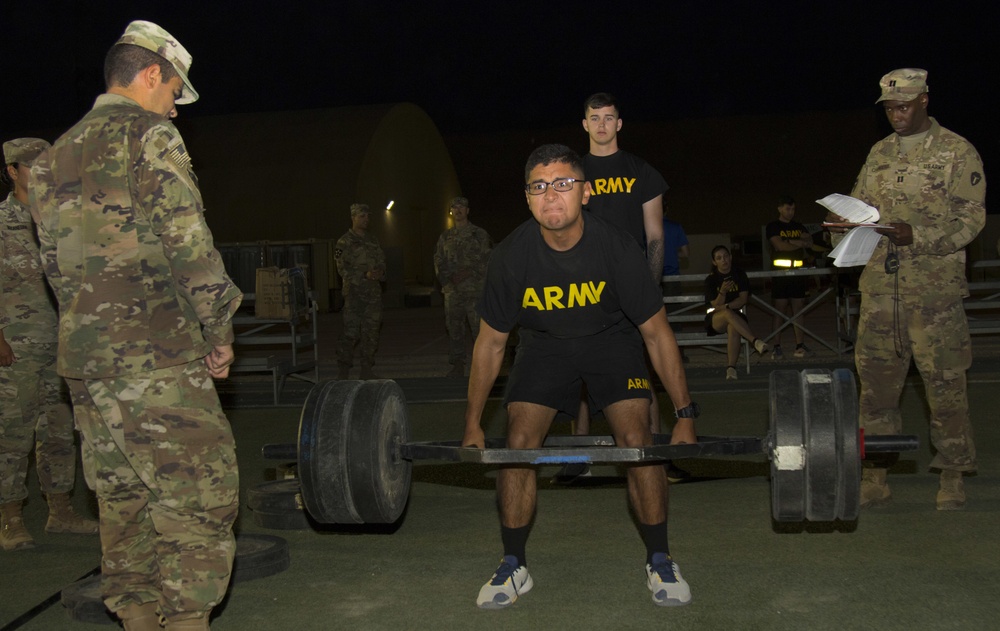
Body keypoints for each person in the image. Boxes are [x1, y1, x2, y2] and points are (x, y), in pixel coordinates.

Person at [30, 21, 243, 630]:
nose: (174, 109)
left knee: (124, 504)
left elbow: (55, 270)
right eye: (174, 92)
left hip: (87, 364)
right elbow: (189, 244)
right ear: (151, 74)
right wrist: (218, 330)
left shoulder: (51, 159)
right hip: (158, 356)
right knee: (199, 499)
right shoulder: (147, 138)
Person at [463, 144, 698, 609]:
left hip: (612, 340)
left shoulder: (616, 248)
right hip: (544, 344)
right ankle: (513, 564)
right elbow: (490, 344)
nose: (552, 194)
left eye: (564, 183)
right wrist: (472, 424)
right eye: (540, 186)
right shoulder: (510, 257)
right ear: (528, 198)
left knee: (638, 436)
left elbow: (656, 334)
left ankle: (659, 557)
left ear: (585, 193)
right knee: (517, 443)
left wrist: (685, 414)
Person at [825, 68, 986, 511]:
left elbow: (971, 219)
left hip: (935, 295)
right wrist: (842, 228)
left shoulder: (956, 150)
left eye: (904, 105)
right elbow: (861, 204)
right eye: (890, 107)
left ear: (924, 101)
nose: (896, 113)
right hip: (880, 290)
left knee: (945, 387)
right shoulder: (879, 154)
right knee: (875, 389)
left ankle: (952, 473)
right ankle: (876, 474)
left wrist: (920, 237)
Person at [558, 93, 675, 483]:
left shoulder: (642, 171)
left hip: (631, 289)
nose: (603, 124)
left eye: (609, 118)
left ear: (619, 123)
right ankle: (579, 458)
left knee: (643, 370)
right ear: (585, 123)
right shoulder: (572, 174)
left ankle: (658, 453)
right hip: (582, 288)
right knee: (580, 371)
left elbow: (655, 236)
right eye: (596, 118)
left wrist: (649, 289)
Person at [1, 138, 99, 552]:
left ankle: (60, 510)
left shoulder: (63, 220)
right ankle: (9, 517)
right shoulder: (2, 222)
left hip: (63, 346)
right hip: (15, 347)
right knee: (12, 432)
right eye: (32, 166)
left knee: (60, 431)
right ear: (12, 170)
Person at [433, 196, 493, 378]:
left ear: (468, 210)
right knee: (454, 328)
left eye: (462, 207)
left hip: (475, 291)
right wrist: (448, 278)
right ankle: (458, 363)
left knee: (478, 329)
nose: (458, 210)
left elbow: (489, 260)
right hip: (453, 292)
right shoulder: (446, 237)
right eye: (455, 208)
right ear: (451, 212)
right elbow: (438, 260)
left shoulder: (479, 235)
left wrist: (469, 272)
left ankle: (481, 366)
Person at [335, 203, 386, 380]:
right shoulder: (344, 242)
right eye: (361, 216)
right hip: (354, 295)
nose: (365, 219)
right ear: (353, 217)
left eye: (367, 216)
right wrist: (364, 274)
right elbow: (342, 269)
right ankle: (343, 369)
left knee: (371, 333)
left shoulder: (373, 240)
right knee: (350, 333)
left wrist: (380, 272)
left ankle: (367, 368)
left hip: (373, 295)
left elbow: (381, 261)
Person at [703, 245, 768, 380]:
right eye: (719, 258)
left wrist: (726, 305)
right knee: (727, 313)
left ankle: (731, 368)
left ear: (731, 257)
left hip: (735, 316)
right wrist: (723, 292)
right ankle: (755, 341)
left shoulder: (739, 274)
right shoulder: (711, 279)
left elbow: (742, 299)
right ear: (714, 262)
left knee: (733, 326)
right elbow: (715, 305)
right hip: (715, 319)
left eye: (726, 256)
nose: (724, 260)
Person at [766, 196, 814, 359]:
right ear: (779, 208)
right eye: (787, 209)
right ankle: (776, 346)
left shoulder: (799, 226)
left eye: (793, 209)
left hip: (798, 273)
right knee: (779, 310)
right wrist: (798, 242)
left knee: (798, 309)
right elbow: (779, 245)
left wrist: (792, 241)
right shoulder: (773, 226)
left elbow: (809, 242)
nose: (791, 212)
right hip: (780, 274)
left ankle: (799, 345)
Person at [662, 215, 690, 363]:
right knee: (676, 317)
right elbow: (686, 253)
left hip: (653, 278)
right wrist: (672, 254)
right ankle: (679, 354)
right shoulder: (675, 226)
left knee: (655, 318)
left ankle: (660, 356)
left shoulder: (645, 226)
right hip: (673, 278)